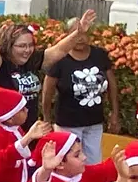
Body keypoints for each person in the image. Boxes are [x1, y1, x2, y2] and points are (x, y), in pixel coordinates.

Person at [0, 9, 93, 128]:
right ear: (9, 46)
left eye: (30, 45)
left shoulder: (32, 60)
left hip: (31, 131)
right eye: (21, 46)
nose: (27, 50)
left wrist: (78, 32)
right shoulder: (1, 65)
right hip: (6, 134)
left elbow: (59, 50)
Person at [42, 22, 119, 163]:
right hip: (67, 123)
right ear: (67, 36)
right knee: (68, 163)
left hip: (94, 122)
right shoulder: (59, 58)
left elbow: (111, 84)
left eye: (84, 33)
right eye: (76, 34)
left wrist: (115, 113)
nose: (80, 38)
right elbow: (48, 90)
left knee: (94, 163)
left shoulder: (99, 55)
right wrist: (46, 118)